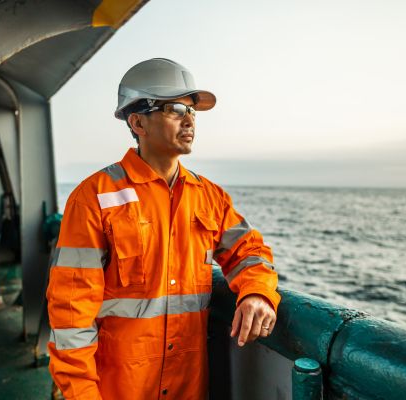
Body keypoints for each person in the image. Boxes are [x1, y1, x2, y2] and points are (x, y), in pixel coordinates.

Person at [47, 58, 280, 400]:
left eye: (192, 111)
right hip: (116, 390)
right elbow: (71, 314)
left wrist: (258, 292)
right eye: (175, 109)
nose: (189, 120)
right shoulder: (93, 197)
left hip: (188, 388)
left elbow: (251, 253)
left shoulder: (209, 198)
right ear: (137, 122)